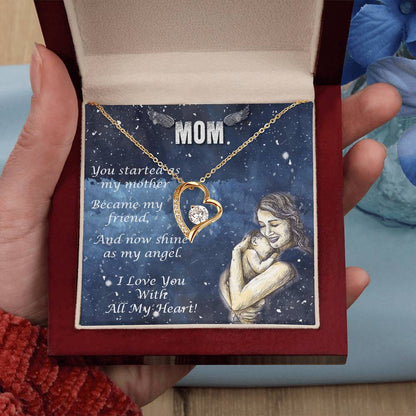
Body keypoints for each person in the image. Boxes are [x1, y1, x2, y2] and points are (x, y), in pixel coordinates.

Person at [0, 44, 402, 413]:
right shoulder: (263, 255)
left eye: (274, 224)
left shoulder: (285, 265)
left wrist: (236, 256)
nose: (266, 232)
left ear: (292, 222)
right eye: (262, 224)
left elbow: (237, 304)